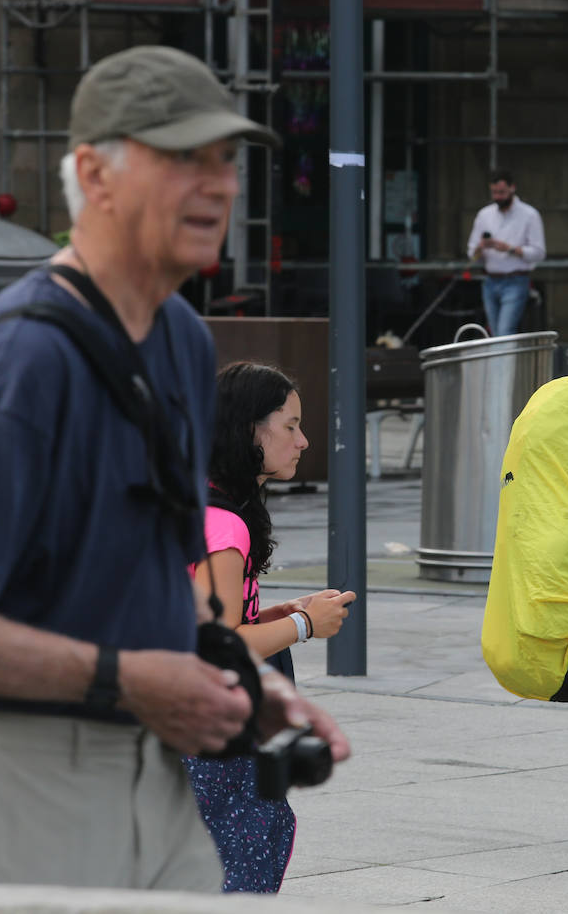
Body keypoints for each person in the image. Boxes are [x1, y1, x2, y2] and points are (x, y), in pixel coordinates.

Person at [0, 45, 349, 890]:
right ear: (94, 172)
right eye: (182, 160)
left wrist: (233, 675)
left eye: (225, 162)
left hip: (142, 761)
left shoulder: (183, 341)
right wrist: (127, 676)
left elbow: (147, 568)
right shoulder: (27, 354)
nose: (220, 186)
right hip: (8, 768)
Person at [184, 361, 356, 893]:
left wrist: (273, 616)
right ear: (247, 428)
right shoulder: (224, 521)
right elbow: (216, 645)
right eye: (290, 425)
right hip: (210, 733)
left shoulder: (203, 502)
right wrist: (305, 624)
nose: (303, 441)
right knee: (239, 859)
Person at [465, 168, 546, 336]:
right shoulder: (484, 215)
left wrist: (510, 249)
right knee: (495, 334)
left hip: (516, 280)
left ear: (512, 188)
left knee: (504, 332)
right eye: (494, 192)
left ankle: (507, 362)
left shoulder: (529, 215)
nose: (498, 197)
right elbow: (472, 254)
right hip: (490, 280)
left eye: (501, 192)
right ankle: (502, 363)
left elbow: (539, 252)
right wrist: (481, 248)